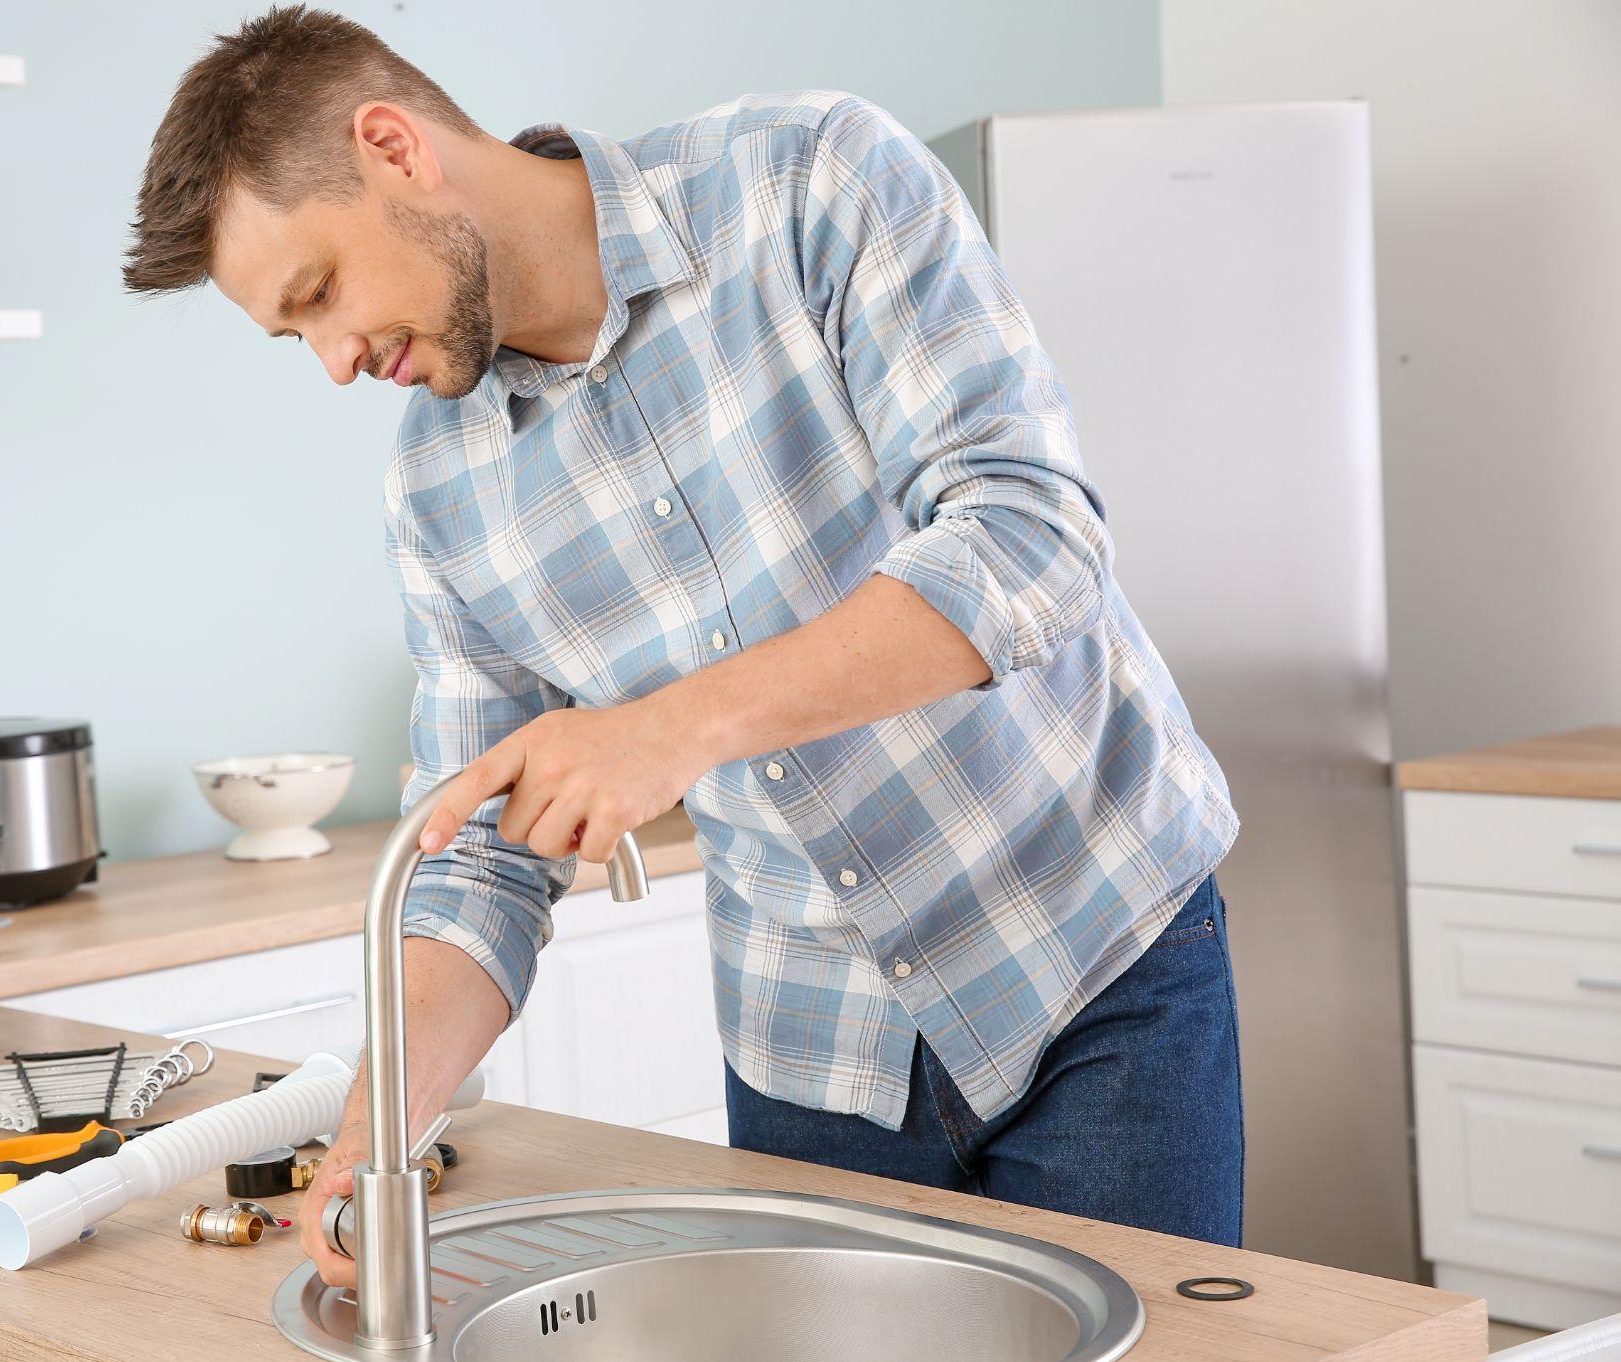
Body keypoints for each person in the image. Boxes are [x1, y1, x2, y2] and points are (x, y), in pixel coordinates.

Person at [124, 6, 1244, 1289]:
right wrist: (371, 1146)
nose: (331, 362)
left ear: (392, 147)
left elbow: (1026, 536)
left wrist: (667, 727)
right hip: (809, 1058)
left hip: (1089, 962)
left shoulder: (808, 180)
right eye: (290, 336)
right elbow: (474, 866)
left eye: (318, 294)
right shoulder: (435, 498)